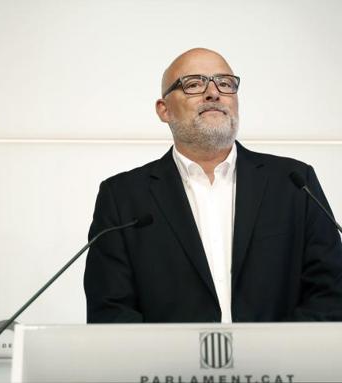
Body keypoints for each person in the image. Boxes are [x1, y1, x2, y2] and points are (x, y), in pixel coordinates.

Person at [84, 48, 342, 323]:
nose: (213, 93)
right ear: (164, 110)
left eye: (225, 83)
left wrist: (280, 356)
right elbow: (110, 309)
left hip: (281, 365)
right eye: (194, 84)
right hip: (165, 366)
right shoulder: (123, 197)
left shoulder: (294, 183)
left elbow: (331, 292)